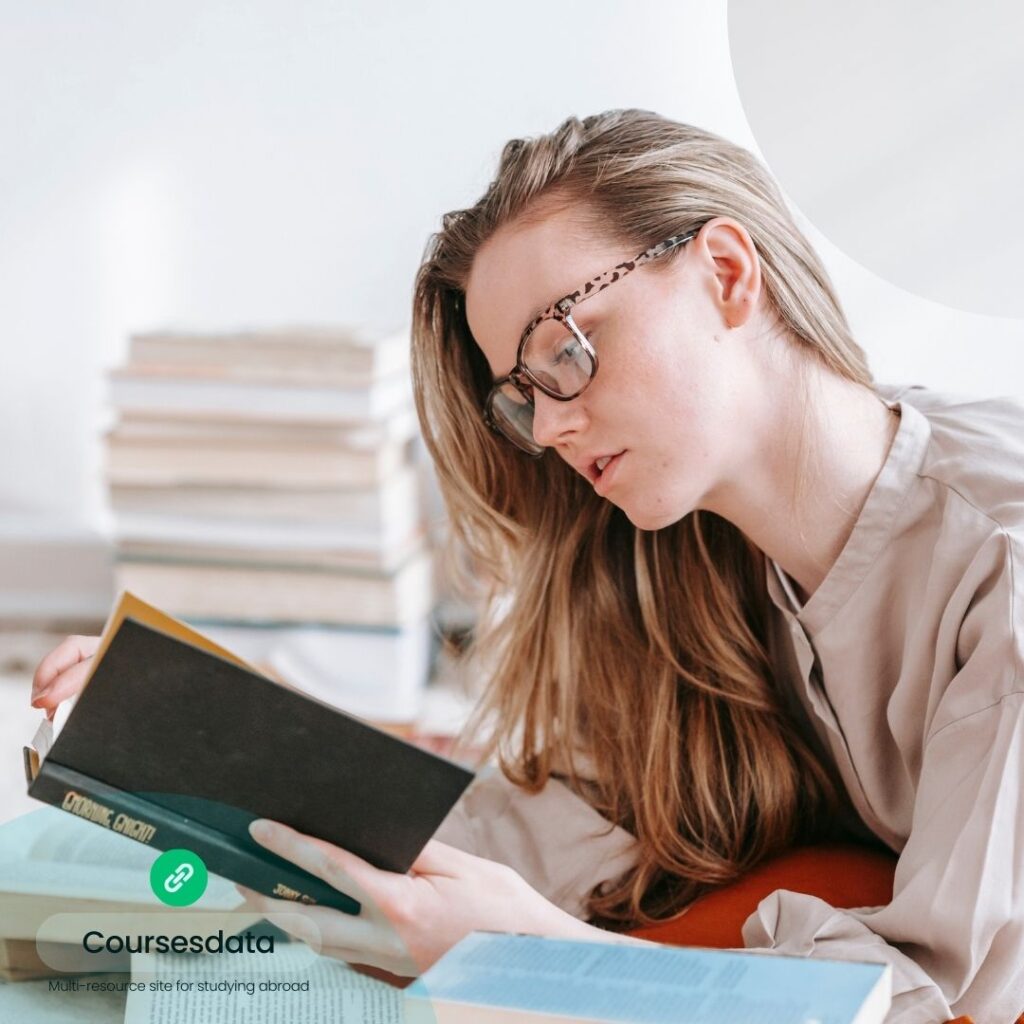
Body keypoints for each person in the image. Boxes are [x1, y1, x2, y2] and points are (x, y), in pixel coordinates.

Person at [31, 110, 1023, 1022]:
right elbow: (557, 827)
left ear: (725, 272)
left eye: (565, 348)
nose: (548, 426)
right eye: (521, 393)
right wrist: (213, 733)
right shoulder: (693, 558)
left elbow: (930, 995)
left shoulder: (999, 563)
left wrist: (531, 951)